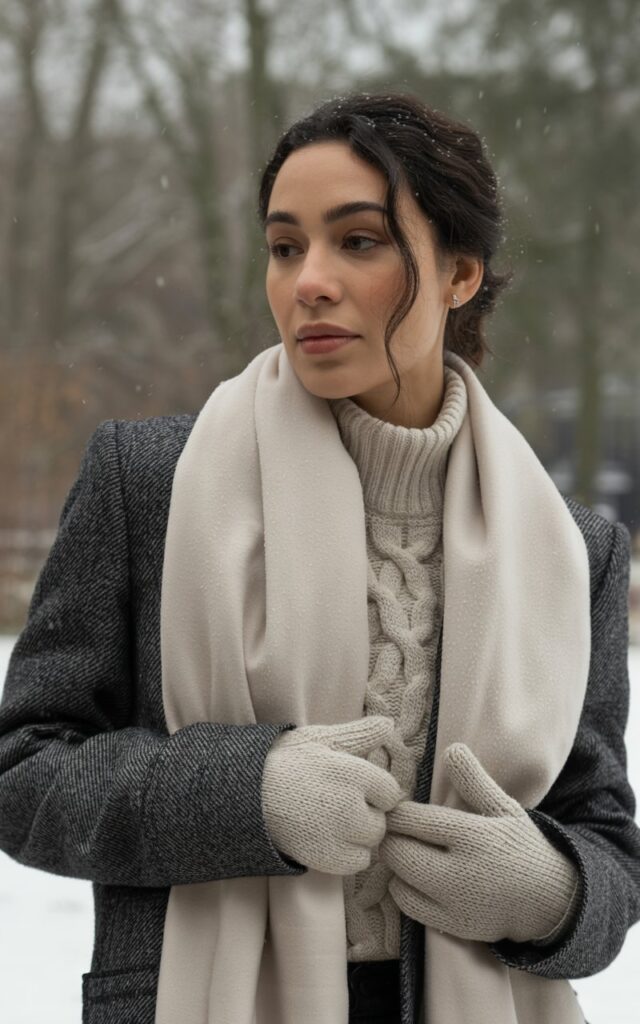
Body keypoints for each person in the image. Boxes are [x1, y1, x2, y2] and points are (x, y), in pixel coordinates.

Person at [0, 90, 638, 1024]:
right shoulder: (152, 484)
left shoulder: (575, 550)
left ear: (461, 273)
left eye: (360, 241)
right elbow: (25, 774)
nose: (309, 281)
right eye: (286, 245)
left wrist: (554, 895)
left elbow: (609, 848)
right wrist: (247, 791)